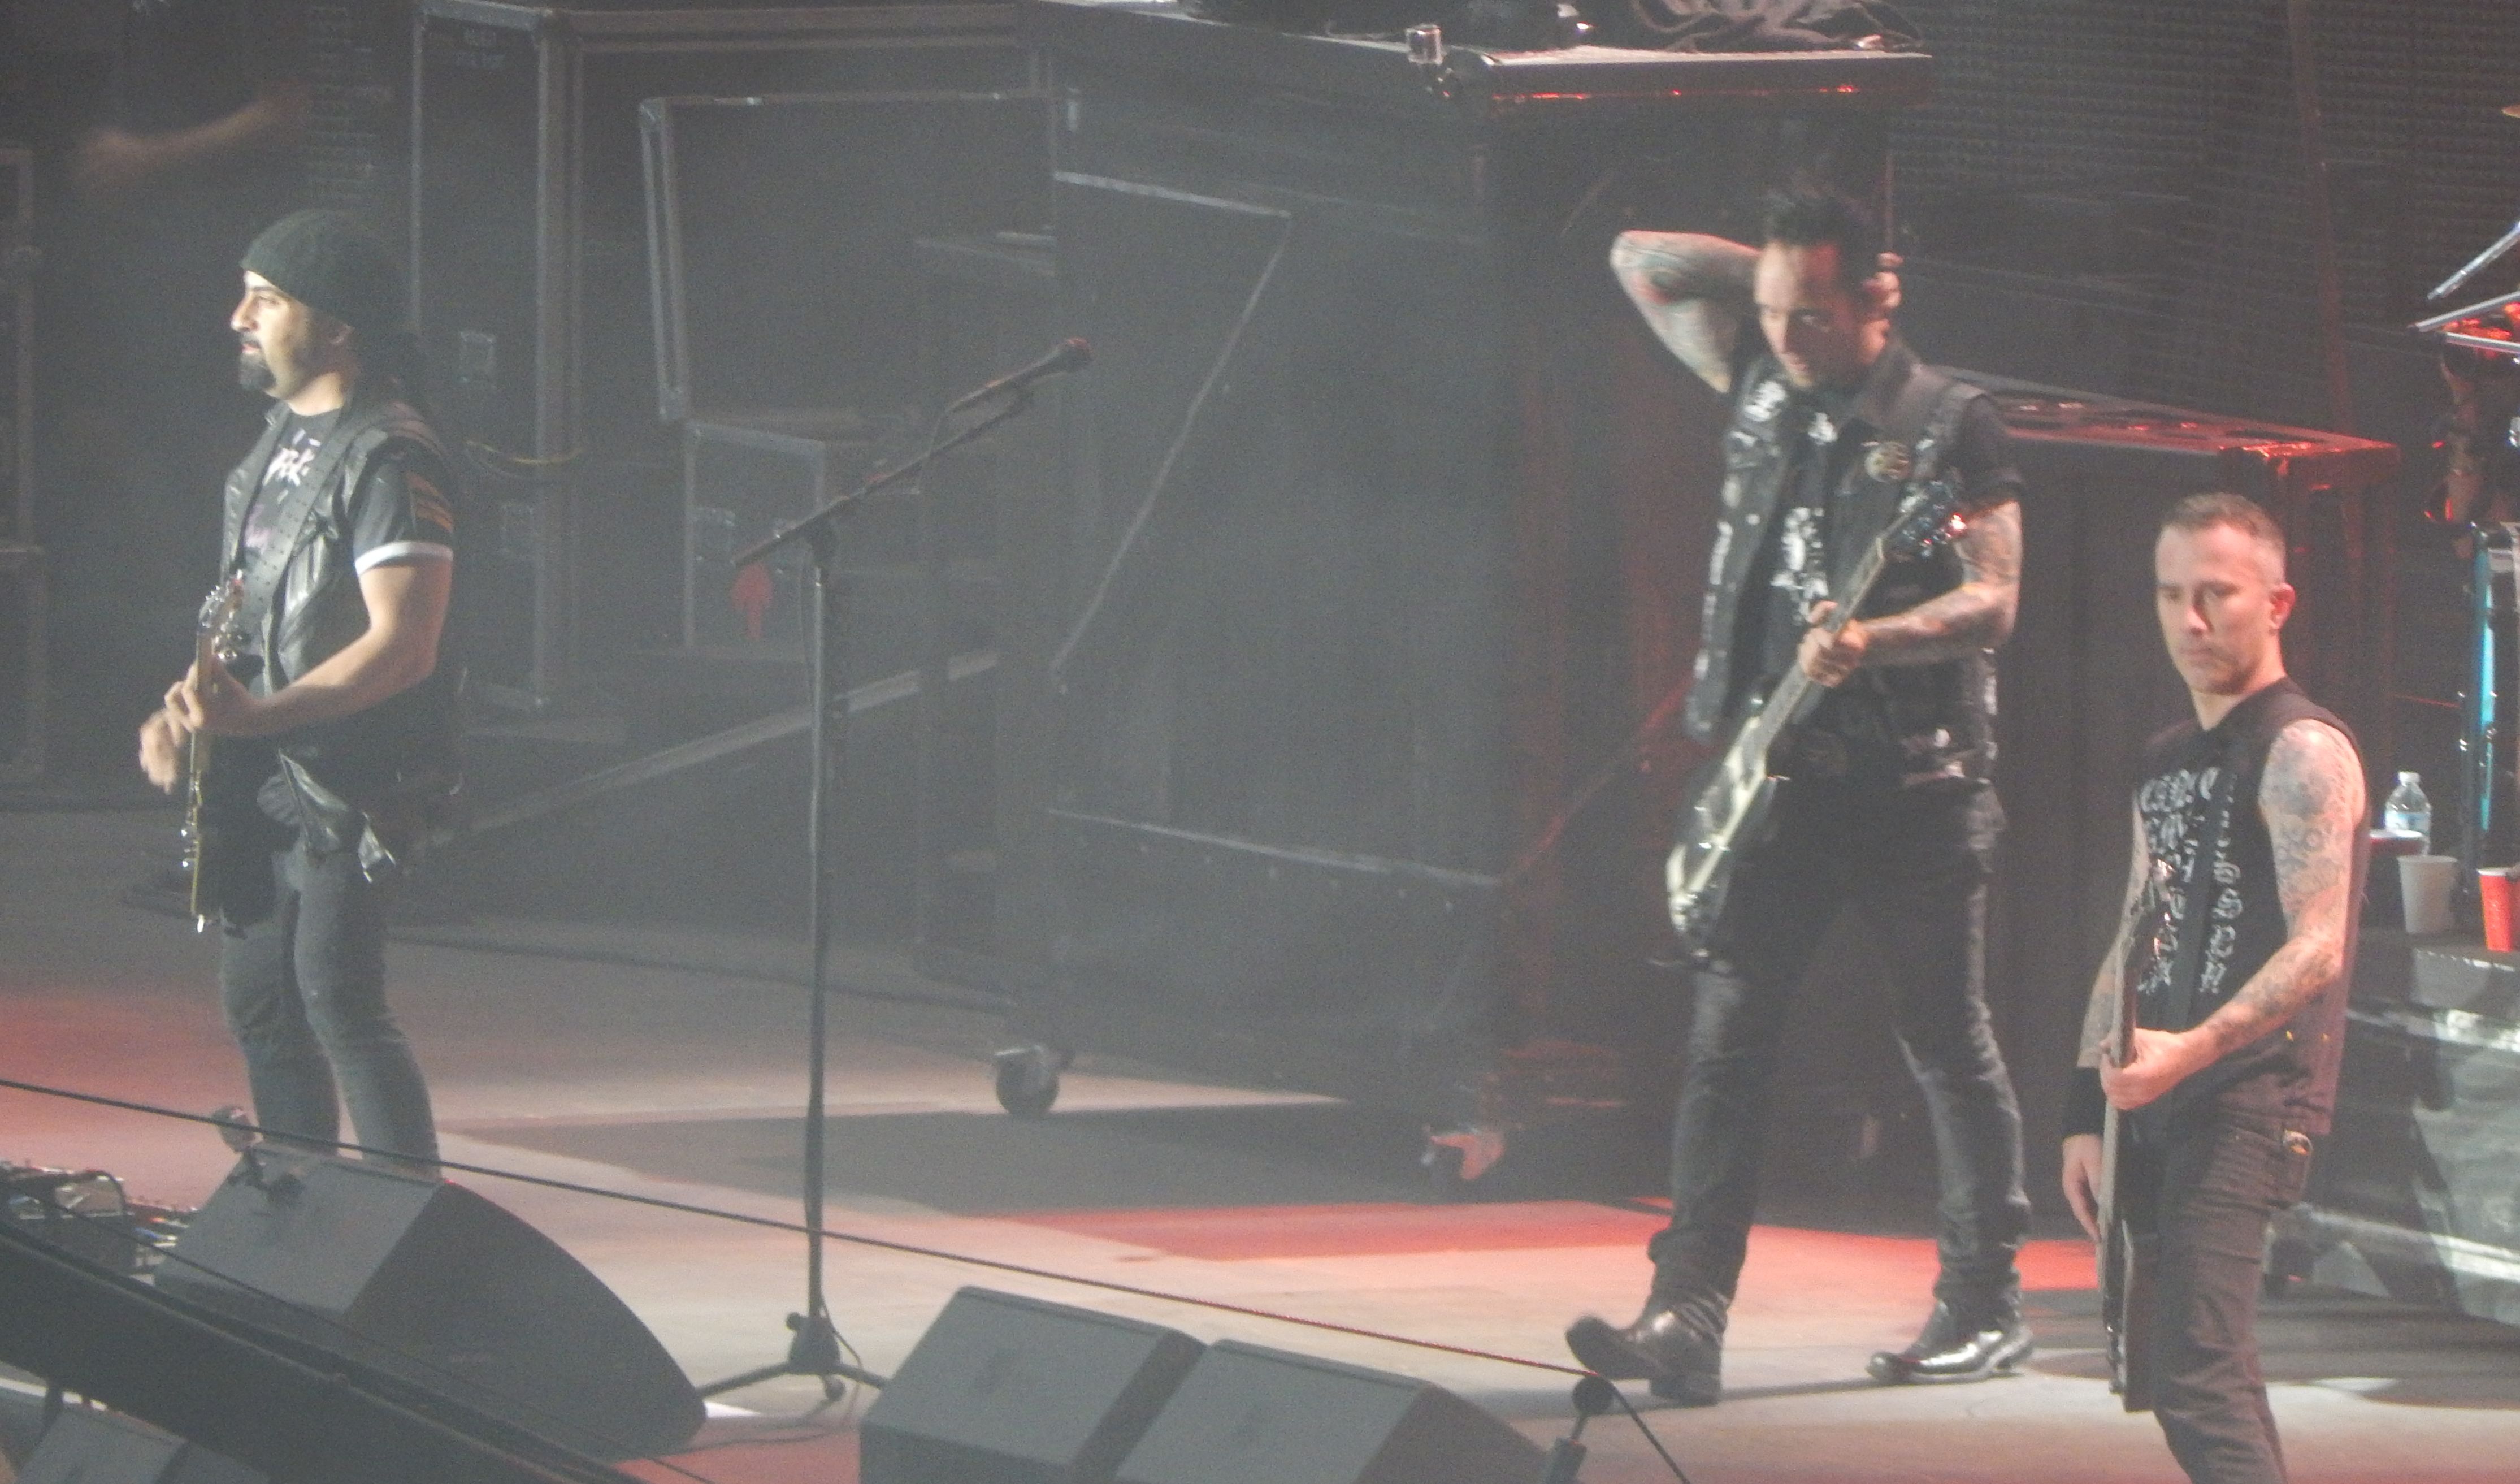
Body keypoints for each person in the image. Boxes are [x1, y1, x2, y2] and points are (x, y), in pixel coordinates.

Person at [1565, 183, 2033, 1405]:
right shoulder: (1760, 378)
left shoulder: (1951, 423)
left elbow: (1994, 599)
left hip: (1917, 785)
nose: (1785, 335)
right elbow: (1640, 257)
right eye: (1772, 310)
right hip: (1778, 783)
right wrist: (1777, 275)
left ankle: (1983, 1301)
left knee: (1945, 1040)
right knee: (1725, 1042)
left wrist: (1877, 639)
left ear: (1881, 297)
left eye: (1813, 313)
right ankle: (1685, 1313)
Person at [136, 209, 458, 1173]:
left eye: (267, 299)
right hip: (263, 773)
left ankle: (404, 1217)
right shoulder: (279, 440)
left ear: (338, 327)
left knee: (337, 998)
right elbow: (247, 609)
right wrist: (183, 711)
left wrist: (258, 717)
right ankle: (295, 1207)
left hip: (351, 778)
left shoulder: (390, 455)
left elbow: (405, 646)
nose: (240, 318)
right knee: (264, 1004)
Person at [2060, 494, 2365, 1484]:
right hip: (2159, 1091)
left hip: (2249, 1095)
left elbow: (2317, 948)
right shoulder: (2166, 758)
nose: (2189, 620)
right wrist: (2085, 1109)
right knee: (2185, 1372)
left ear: (2277, 604)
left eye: (2216, 594)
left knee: (2198, 1372)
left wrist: (2190, 1051)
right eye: (2170, 594)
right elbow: (2132, 933)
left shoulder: (2302, 748)